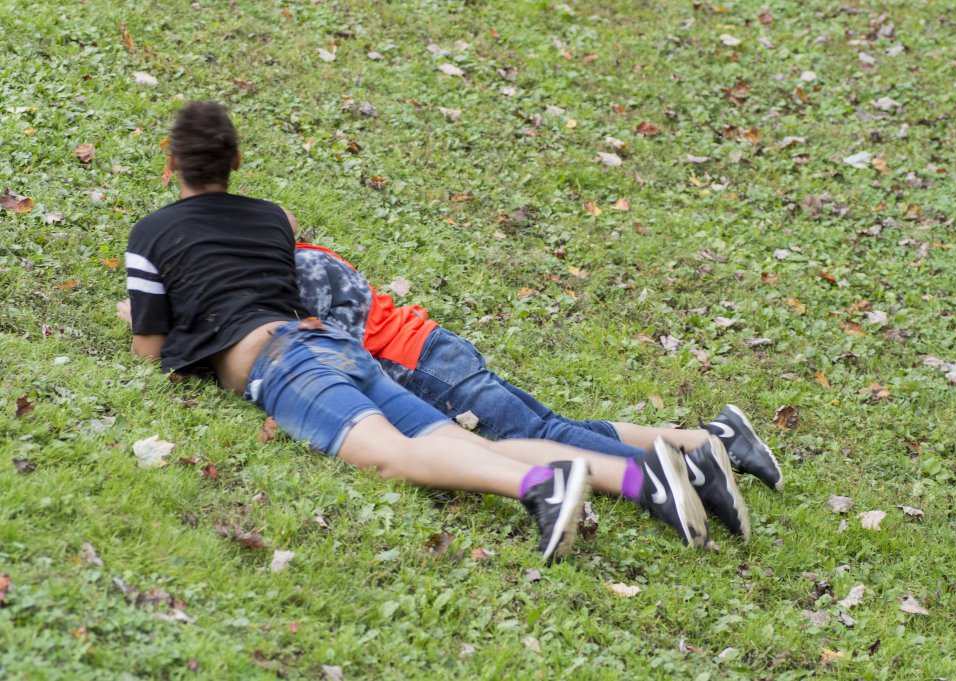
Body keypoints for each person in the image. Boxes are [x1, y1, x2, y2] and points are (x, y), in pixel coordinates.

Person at [123, 101, 749, 564]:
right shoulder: (273, 219)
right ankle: (644, 479)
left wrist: (148, 318)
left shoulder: (150, 234)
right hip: (337, 346)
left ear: (169, 161)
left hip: (285, 362)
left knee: (394, 459)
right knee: (462, 443)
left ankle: (542, 486)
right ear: (236, 160)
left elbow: (149, 350)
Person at [290, 239, 783, 493]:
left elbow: (340, 354)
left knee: (539, 436)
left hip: (421, 370)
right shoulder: (312, 255)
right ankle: (711, 441)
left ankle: (682, 479)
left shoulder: (296, 273)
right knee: (550, 428)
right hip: (435, 349)